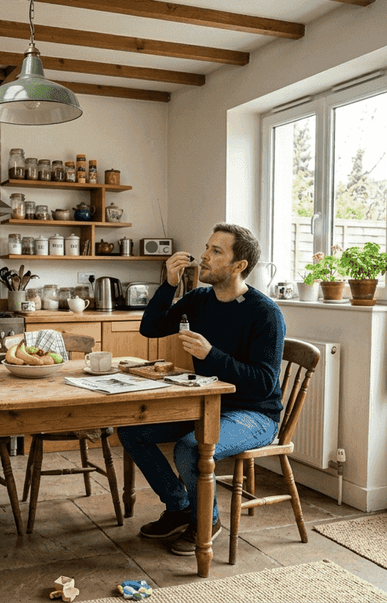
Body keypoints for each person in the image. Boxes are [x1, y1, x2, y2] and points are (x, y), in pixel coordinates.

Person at [118, 223, 286, 556]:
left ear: (239, 266)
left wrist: (213, 355)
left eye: (216, 251)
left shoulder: (265, 313)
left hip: (255, 414)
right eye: (207, 247)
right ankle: (179, 507)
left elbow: (264, 383)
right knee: (131, 430)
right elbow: (150, 327)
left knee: (191, 448)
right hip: (206, 405)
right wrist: (168, 284)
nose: (204, 257)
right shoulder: (199, 300)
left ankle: (205, 522)